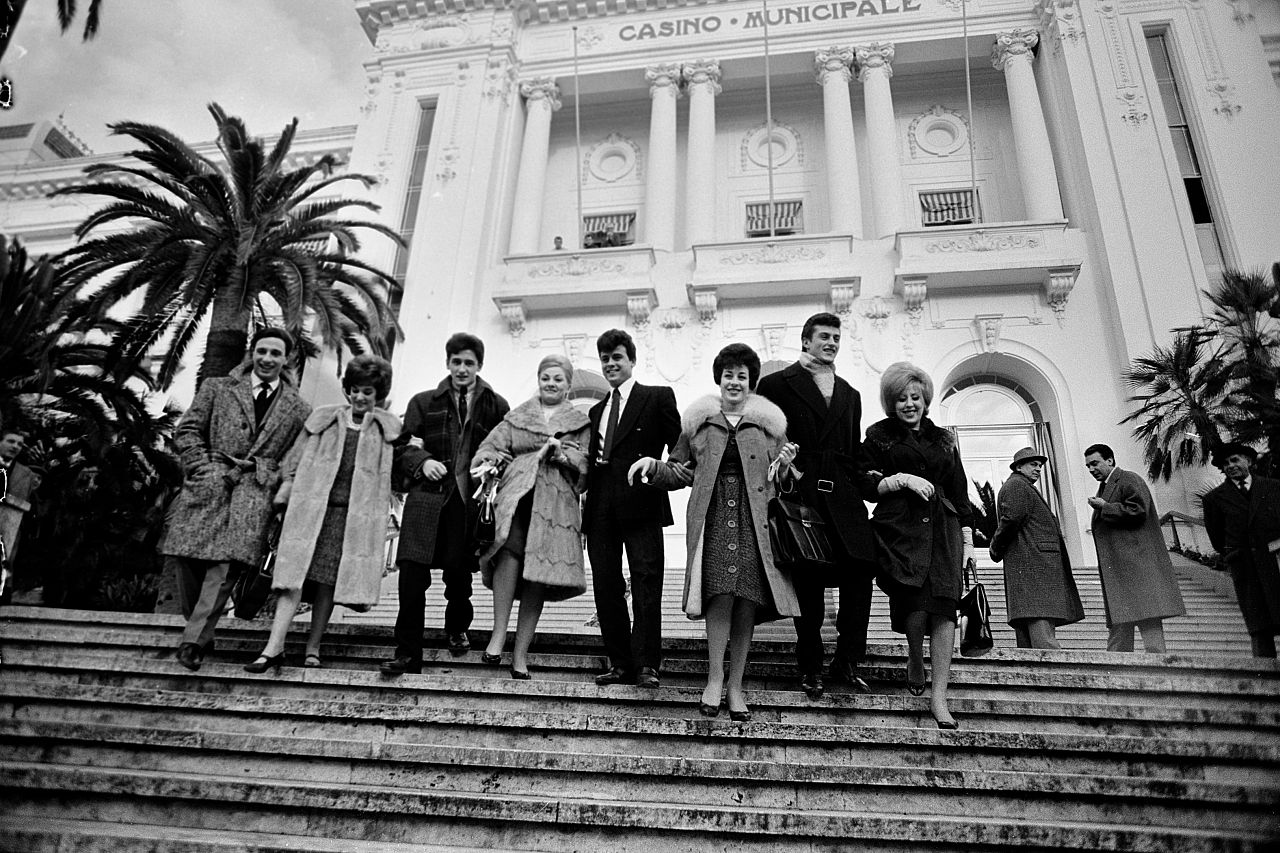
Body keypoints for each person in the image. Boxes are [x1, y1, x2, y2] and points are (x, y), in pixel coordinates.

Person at [630, 343, 800, 722]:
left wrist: (786, 466)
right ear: (718, 379)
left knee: (746, 602)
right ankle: (714, 677)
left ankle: (737, 686)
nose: (734, 382)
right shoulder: (699, 423)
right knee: (720, 595)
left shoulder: (770, 427)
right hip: (712, 515)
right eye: (729, 375)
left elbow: (781, 485)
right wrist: (652, 466)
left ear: (751, 382)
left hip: (754, 521)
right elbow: (678, 470)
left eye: (742, 375)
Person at [159, 327, 311, 671]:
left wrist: (277, 482)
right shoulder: (218, 387)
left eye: (275, 353)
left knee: (225, 568)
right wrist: (200, 466)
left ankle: (193, 641)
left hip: (253, 493)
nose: (267, 358)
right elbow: (187, 429)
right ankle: (202, 628)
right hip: (209, 482)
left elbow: (294, 456)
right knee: (186, 558)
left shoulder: (298, 407)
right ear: (251, 353)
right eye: (262, 351)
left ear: (286, 358)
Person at [245, 356, 401, 673]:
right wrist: (285, 495)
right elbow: (293, 461)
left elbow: (398, 474)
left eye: (367, 392)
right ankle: (273, 648)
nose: (359, 397)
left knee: (327, 586)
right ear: (347, 390)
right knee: (292, 581)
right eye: (355, 390)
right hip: (310, 511)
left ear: (378, 394)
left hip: (350, 520)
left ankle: (313, 648)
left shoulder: (387, 431)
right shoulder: (323, 421)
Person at [756, 312, 879, 698]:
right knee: (808, 582)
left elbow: (854, 452)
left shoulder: (850, 394)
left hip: (844, 494)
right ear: (806, 341)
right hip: (802, 492)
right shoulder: (776, 384)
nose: (831, 343)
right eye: (823, 336)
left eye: (836, 338)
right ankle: (810, 665)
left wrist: (879, 480)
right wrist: (785, 465)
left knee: (860, 573)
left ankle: (848, 659)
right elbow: (762, 439)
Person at [382, 333, 509, 676]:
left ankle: (456, 627)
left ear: (479, 365)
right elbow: (401, 445)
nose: (462, 369)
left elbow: (506, 449)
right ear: (448, 363)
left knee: (458, 573)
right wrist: (422, 461)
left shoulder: (497, 405)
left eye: (469, 362)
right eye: (456, 362)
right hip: (426, 498)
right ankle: (408, 652)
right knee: (411, 573)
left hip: (467, 501)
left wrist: (494, 465)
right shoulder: (424, 402)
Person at [864, 362, 974, 730]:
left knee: (944, 608)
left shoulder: (944, 439)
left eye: (915, 397)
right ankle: (914, 655)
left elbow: (959, 490)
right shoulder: (878, 437)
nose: (909, 404)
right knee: (913, 602)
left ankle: (939, 696)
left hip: (943, 529)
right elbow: (864, 481)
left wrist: (968, 541)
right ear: (890, 403)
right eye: (901, 399)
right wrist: (900, 479)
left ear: (925, 399)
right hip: (901, 530)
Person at [472, 354, 591, 679]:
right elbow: (488, 448)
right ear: (539, 380)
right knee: (508, 556)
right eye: (546, 377)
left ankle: (520, 654)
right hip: (517, 496)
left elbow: (587, 463)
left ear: (568, 385)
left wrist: (564, 456)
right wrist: (494, 461)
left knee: (538, 572)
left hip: (555, 504)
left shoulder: (579, 421)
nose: (551, 384)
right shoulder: (517, 416)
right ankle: (498, 637)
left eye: (558, 379)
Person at [584, 329, 681, 688]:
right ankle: (620, 662)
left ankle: (646, 664)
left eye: (617, 357)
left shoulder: (656, 397)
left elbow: (681, 449)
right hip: (600, 507)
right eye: (605, 359)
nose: (611, 364)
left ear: (632, 360)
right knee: (606, 584)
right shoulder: (596, 410)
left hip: (641, 501)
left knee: (645, 582)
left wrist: (657, 469)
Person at [1084, 443, 1186, 653]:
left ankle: (1159, 675)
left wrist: (1105, 507)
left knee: (1148, 624)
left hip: (1136, 569)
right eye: (1088, 466)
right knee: (1121, 627)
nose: (1091, 469)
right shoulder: (1107, 485)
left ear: (1110, 460)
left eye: (1095, 463)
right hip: (1121, 573)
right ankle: (1116, 676)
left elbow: (1138, 510)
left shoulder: (1128, 479)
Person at [988, 447, 1084, 649]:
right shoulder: (1017, 486)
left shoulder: (1020, 486)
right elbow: (1011, 519)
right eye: (1033, 464)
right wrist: (995, 548)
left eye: (1040, 465)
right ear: (1018, 467)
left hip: (1032, 568)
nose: (1038, 469)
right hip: (1035, 568)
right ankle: (1057, 679)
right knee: (1043, 639)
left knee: (1031, 637)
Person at [1201, 443, 1280, 658]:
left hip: (1276, 563)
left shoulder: (1273, 488)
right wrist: (1235, 555)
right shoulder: (1214, 499)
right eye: (1225, 464)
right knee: (1258, 625)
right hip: (1245, 568)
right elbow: (1218, 539)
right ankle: (1264, 678)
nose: (1230, 466)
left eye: (1235, 460)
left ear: (1250, 461)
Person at [0, 427, 37, 601]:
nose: (15, 446)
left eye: (20, 444)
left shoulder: (26, 474)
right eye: (11, 441)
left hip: (9, 528)